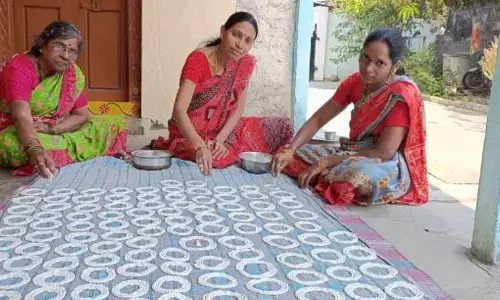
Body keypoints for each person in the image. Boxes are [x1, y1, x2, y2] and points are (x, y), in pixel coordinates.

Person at [271, 28, 428, 206]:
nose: (368, 68)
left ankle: (326, 175)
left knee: (350, 179)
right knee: (291, 157)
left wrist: (326, 162)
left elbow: (383, 153)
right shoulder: (355, 82)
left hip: (381, 163)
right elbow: (318, 119)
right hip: (351, 151)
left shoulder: (399, 96)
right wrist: (290, 150)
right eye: (365, 57)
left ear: (395, 66)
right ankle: (323, 173)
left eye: (380, 63)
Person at [149, 11, 293, 175]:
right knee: (212, 157)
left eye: (247, 41)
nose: (240, 44)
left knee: (280, 127)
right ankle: (210, 148)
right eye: (236, 35)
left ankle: (221, 146)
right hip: (190, 134)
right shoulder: (198, 61)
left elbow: (238, 109)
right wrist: (200, 146)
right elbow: (179, 111)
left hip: (222, 129)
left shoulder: (244, 64)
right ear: (223, 31)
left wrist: (220, 139)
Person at [0, 21, 127, 178]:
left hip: (53, 129)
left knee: (114, 123)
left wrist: (52, 129)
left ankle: (64, 151)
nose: (66, 56)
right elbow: (21, 116)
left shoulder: (72, 73)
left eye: (72, 51)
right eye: (59, 46)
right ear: (42, 45)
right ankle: (84, 150)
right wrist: (35, 149)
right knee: (9, 143)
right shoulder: (20, 68)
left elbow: (82, 115)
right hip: (18, 130)